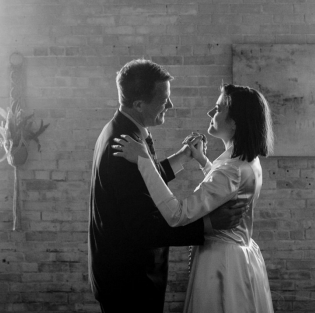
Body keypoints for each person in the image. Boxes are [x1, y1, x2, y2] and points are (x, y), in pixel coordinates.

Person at [88, 60, 247, 313]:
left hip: (126, 274)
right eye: (164, 100)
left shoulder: (126, 131)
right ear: (139, 104)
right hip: (129, 282)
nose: (170, 105)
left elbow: (142, 182)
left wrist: (183, 157)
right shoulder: (122, 145)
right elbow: (144, 228)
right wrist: (208, 225)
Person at [114, 83, 275, 313]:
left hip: (221, 264)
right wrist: (203, 162)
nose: (211, 112)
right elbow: (226, 190)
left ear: (235, 122)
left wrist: (144, 161)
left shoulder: (229, 170)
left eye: (218, 108)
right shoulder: (248, 161)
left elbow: (177, 215)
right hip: (243, 257)